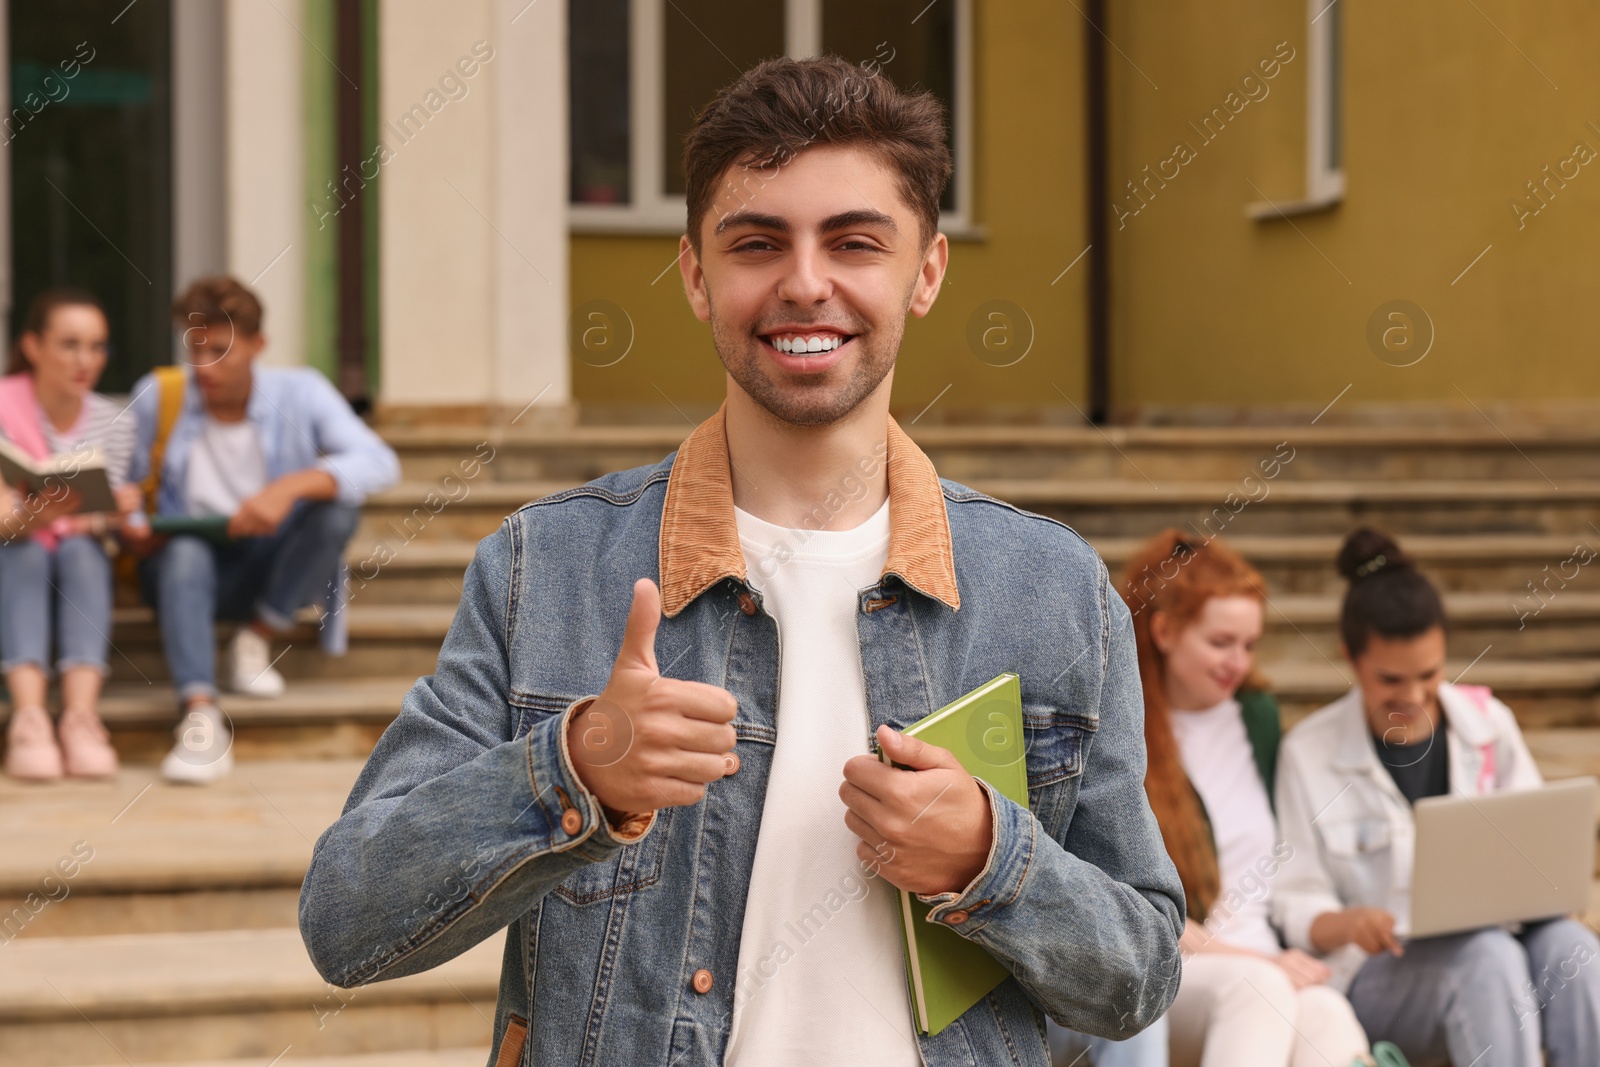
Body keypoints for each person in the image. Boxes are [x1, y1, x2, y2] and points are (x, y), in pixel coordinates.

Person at [299, 55, 1183, 1066]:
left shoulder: (1052, 589)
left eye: (854, 241)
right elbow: (346, 921)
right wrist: (574, 766)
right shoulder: (546, 567)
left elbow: (1140, 974)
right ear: (694, 273)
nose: (805, 283)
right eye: (757, 243)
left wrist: (993, 858)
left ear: (927, 270)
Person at [1273, 527, 1600, 1067]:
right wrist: (1352, 923)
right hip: (1381, 980)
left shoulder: (1490, 726)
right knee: (1488, 960)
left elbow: (1544, 859)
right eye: (1390, 680)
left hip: (1504, 948)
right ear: (1349, 659)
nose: (1413, 698)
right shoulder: (1307, 753)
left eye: (1428, 675)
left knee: (1576, 949)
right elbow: (1294, 901)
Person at [1056, 531, 1371, 1067]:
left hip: (1264, 957)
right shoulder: (1117, 730)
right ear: (1164, 631)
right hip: (1171, 963)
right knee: (1259, 990)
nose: (1239, 663)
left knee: (1328, 1016)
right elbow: (1122, 901)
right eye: (1221, 643)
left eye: (1249, 645)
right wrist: (1255, 960)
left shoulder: (1257, 719)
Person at [122, 276, 398, 784]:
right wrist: (132, 521)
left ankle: (256, 636)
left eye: (222, 351)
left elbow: (380, 461)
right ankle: (200, 715)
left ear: (258, 345)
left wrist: (292, 486)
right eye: (196, 349)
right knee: (184, 551)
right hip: (184, 570)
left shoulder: (301, 391)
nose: (206, 365)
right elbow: (128, 486)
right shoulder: (157, 397)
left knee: (337, 507)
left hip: (270, 569)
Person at [0, 288, 140, 780]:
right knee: (27, 552)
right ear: (34, 346)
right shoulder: (2, 405)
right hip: (15, 550)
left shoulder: (114, 421)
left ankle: (81, 717)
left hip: (80, 554)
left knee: (82, 550)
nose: (86, 361)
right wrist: (30, 519)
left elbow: (107, 515)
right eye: (70, 344)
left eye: (97, 347)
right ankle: (30, 717)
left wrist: (113, 512)